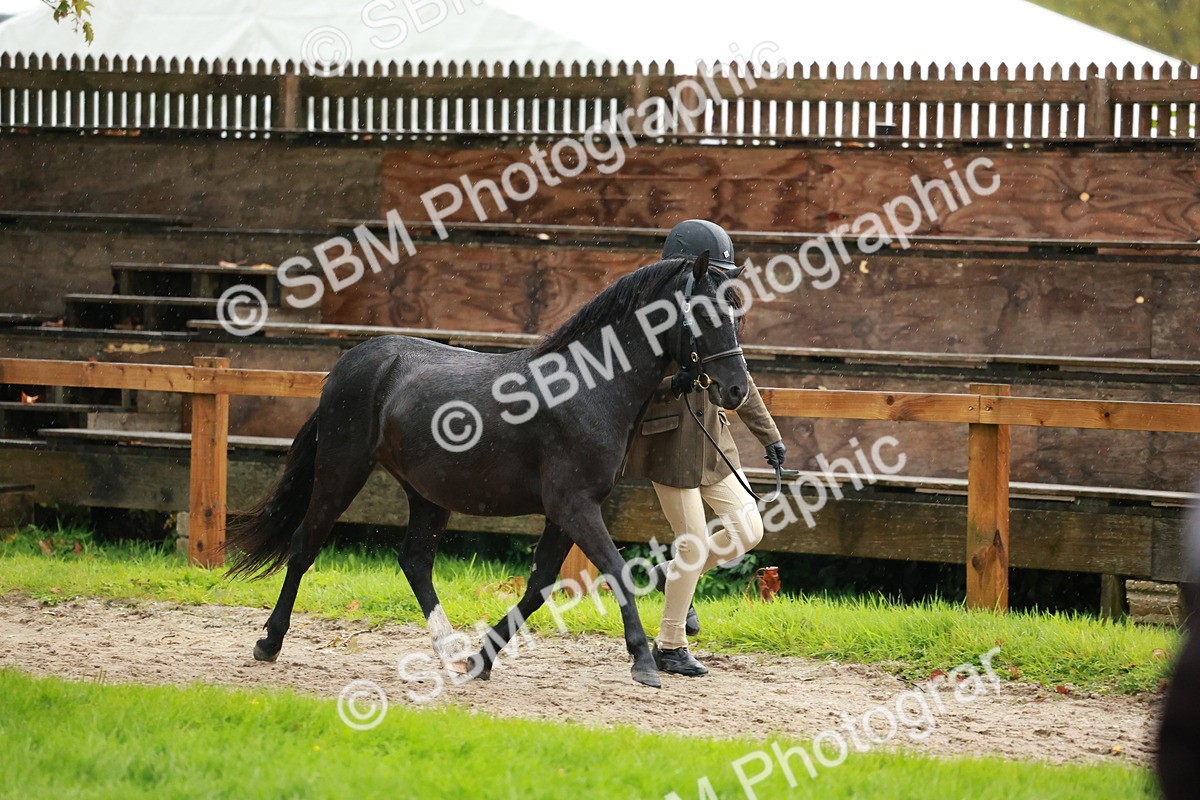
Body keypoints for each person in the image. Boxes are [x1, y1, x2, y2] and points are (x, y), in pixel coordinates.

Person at [622, 219, 787, 677]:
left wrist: (769, 436)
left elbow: (738, 375)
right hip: (670, 443)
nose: (719, 281)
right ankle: (670, 646)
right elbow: (623, 385)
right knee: (694, 543)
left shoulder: (715, 309)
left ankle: (673, 573)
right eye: (712, 272)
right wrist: (669, 384)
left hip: (715, 442)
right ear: (686, 268)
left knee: (748, 529)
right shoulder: (647, 317)